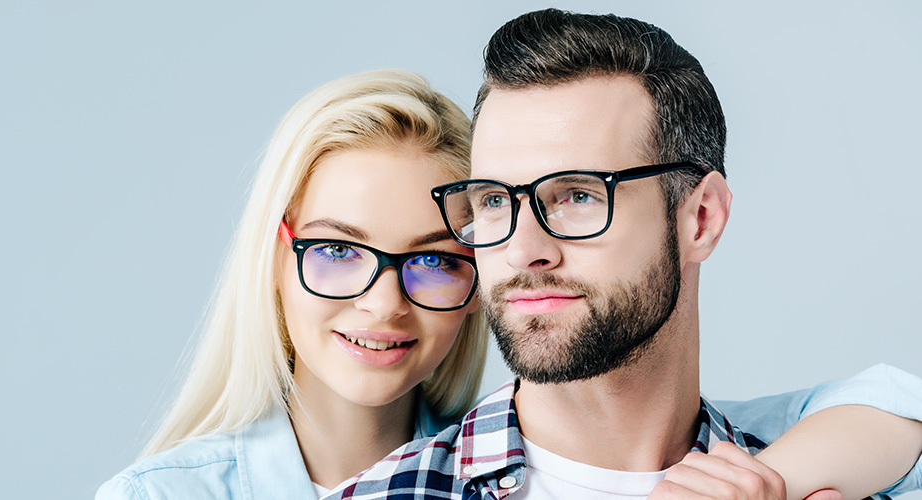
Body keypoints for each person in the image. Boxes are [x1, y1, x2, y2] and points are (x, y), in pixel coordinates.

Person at [98, 70, 920, 500]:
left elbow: (897, 406)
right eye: (339, 252)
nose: (384, 304)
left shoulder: (728, 452)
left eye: (434, 261)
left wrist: (766, 479)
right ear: (275, 256)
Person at [326, 9, 922, 500]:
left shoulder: (814, 471)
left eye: (579, 196)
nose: (523, 250)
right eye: (494, 202)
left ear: (701, 218)